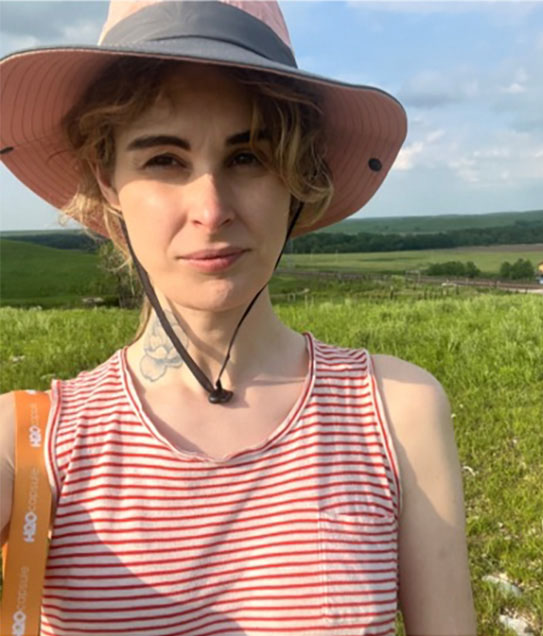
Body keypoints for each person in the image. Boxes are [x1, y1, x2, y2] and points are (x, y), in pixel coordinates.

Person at [0, 1, 475, 634]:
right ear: (106, 180)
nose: (211, 207)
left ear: (297, 178)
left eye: (248, 157)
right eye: (163, 160)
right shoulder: (29, 443)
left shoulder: (397, 411)